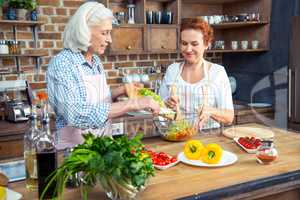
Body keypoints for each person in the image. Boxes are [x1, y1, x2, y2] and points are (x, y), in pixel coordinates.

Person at [46, 2, 160, 146]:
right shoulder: (63, 64)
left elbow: (96, 102)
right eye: (104, 33)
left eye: (109, 33)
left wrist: (120, 91)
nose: (109, 39)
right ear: (84, 31)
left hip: (102, 147)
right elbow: (76, 115)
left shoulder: (95, 61)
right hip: (75, 153)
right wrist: (133, 103)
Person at [159, 18, 234, 131]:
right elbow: (159, 108)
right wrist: (167, 106)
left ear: (206, 44)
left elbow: (229, 117)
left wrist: (210, 111)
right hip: (176, 136)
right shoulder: (172, 70)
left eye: (194, 44)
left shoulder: (217, 72)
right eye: (184, 43)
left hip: (208, 139)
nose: (188, 49)